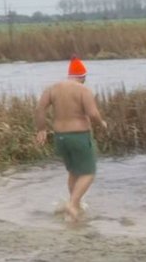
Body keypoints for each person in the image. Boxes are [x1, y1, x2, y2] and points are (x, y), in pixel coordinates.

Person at [35, 56, 107, 223]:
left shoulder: (52, 89)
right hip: (79, 135)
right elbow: (93, 113)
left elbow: (39, 109)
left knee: (74, 171)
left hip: (60, 137)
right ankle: (73, 204)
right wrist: (101, 123)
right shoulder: (83, 90)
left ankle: (76, 205)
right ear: (83, 77)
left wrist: (41, 129)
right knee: (89, 173)